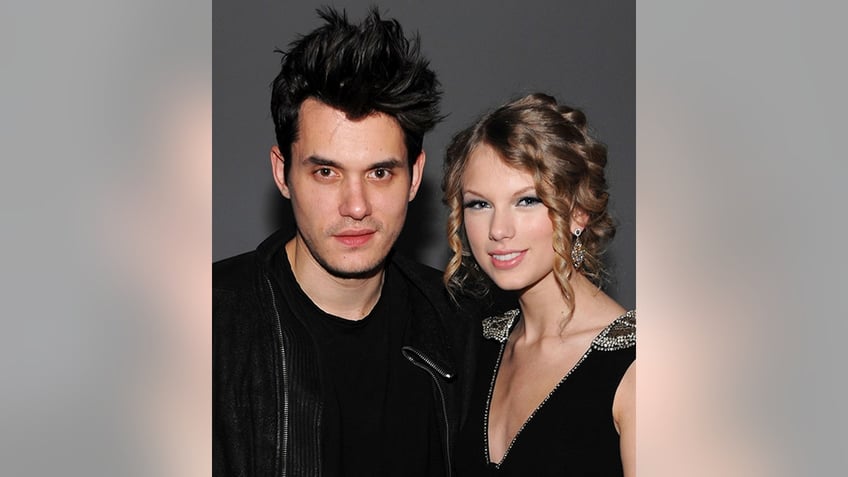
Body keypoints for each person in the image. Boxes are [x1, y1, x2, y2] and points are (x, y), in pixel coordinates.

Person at [213, 7, 478, 476]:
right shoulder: (206, 326)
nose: (355, 206)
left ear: (414, 176)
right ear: (282, 173)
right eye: (326, 172)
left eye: (379, 172)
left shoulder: (461, 328)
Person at [442, 93, 636, 476]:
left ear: (578, 211)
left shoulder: (642, 371)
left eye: (527, 201)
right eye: (479, 204)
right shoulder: (474, 345)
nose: (498, 230)